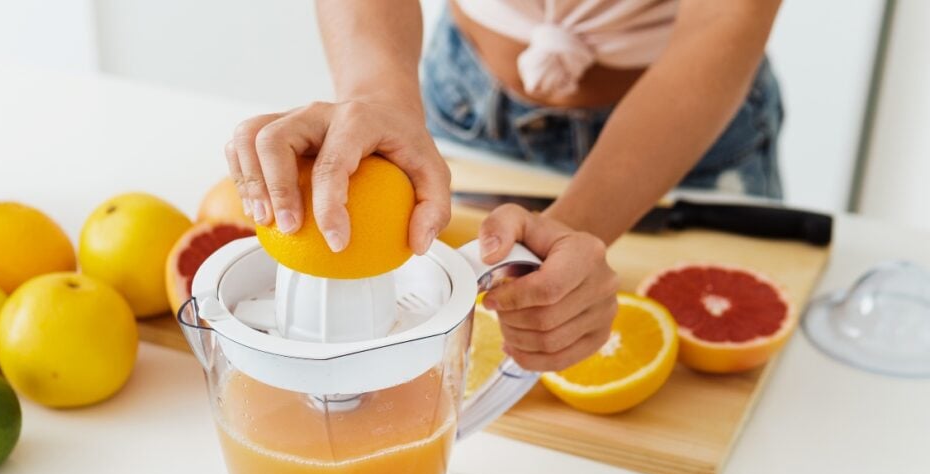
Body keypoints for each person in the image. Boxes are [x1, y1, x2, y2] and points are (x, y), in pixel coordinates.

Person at [226, 0, 783, 371]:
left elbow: (723, 16)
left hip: (685, 132)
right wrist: (378, 97)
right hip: (466, 101)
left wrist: (571, 232)